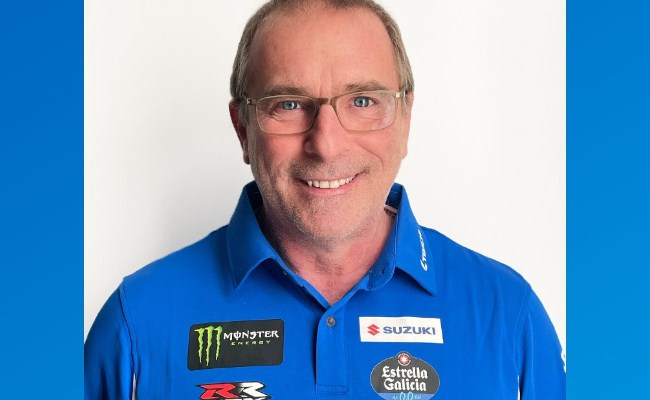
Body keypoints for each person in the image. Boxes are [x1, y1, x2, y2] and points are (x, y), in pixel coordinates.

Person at [84, 0, 565, 398]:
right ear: (243, 129)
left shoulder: (508, 317)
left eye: (362, 101)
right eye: (289, 105)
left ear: (405, 119)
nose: (327, 145)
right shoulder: (135, 323)